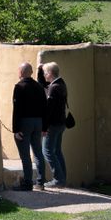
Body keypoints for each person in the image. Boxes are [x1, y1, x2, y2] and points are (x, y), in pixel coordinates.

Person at [11, 62, 47, 191]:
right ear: (31, 72)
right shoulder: (38, 87)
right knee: (38, 152)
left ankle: (27, 183)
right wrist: (44, 127)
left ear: (20, 72)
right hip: (38, 122)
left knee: (25, 155)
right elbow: (45, 107)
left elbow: (17, 109)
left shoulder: (19, 87)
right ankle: (40, 182)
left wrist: (16, 129)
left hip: (25, 122)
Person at [41, 61, 68, 189]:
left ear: (50, 73)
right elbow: (46, 86)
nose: (44, 75)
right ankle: (62, 178)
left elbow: (49, 110)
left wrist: (44, 127)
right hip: (61, 123)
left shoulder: (54, 87)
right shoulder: (61, 83)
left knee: (47, 151)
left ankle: (58, 179)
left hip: (53, 125)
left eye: (45, 73)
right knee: (57, 151)